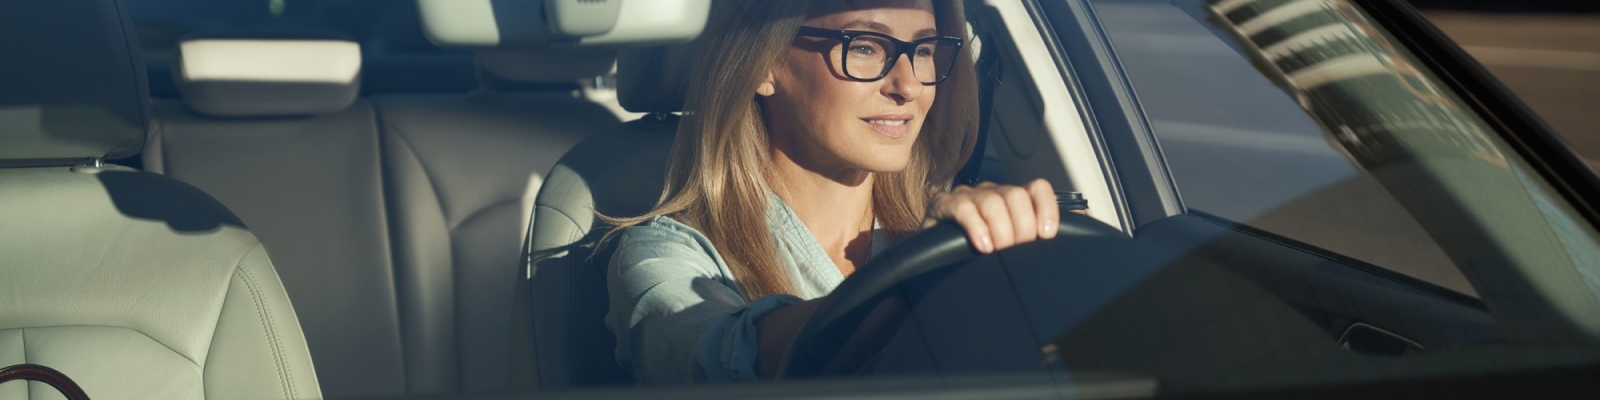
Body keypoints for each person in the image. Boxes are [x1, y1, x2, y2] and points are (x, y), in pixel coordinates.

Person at [603, 0, 1059, 384]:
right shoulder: (661, 255)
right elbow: (719, 359)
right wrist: (912, 285)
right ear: (764, 64)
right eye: (863, 45)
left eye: (923, 50)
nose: (909, 85)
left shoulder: (952, 232)